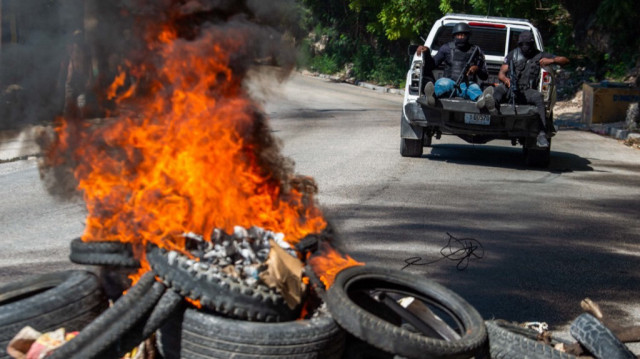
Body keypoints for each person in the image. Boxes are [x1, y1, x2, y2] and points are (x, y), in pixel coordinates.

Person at [492, 30, 569, 147]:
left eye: (528, 44)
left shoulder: (540, 55)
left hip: (527, 91)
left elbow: (565, 60)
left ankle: (542, 133)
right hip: (511, 88)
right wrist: (506, 80)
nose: (525, 47)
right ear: (519, 44)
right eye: (523, 44)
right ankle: (492, 114)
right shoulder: (513, 54)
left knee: (538, 97)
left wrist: (552, 60)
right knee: (498, 91)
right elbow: (501, 73)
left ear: (532, 44)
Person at [417, 22, 494, 110]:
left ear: (468, 36)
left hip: (467, 85)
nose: (461, 37)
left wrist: (477, 69)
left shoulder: (476, 50)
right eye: (458, 35)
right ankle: (431, 97)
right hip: (449, 83)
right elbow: (431, 65)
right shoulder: (446, 48)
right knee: (442, 83)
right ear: (454, 36)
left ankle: (482, 100)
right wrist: (426, 53)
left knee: (475, 88)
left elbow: (485, 76)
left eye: (463, 35)